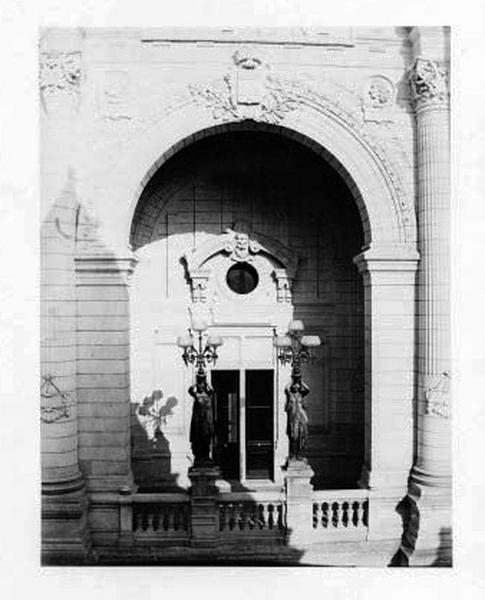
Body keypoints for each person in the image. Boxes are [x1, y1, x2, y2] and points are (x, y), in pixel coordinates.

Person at [188, 370, 215, 465]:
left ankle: (206, 457)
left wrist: (206, 381)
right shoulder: (197, 396)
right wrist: (195, 382)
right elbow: (190, 390)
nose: (201, 387)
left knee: (206, 441)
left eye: (202, 385)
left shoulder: (207, 396)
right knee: (198, 441)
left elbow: (212, 390)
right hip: (198, 423)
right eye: (200, 385)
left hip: (206, 423)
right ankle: (199, 457)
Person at [284, 373, 310, 461]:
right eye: (294, 386)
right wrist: (292, 380)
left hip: (300, 417)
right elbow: (287, 388)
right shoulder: (290, 394)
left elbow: (307, 389)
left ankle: (299, 454)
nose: (296, 387)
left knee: (301, 436)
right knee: (293, 436)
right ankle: (292, 454)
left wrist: (300, 381)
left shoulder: (301, 395)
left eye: (297, 386)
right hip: (293, 418)